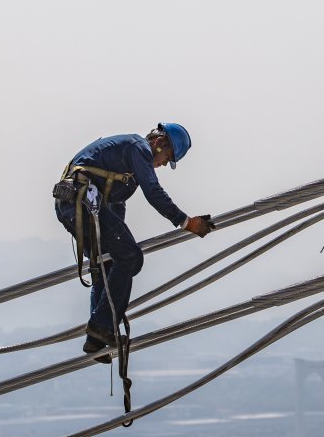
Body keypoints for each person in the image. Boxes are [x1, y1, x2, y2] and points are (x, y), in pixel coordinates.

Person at [54, 122, 214, 359]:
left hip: (74, 205)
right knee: (130, 258)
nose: (160, 165)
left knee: (107, 262)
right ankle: (101, 327)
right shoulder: (138, 148)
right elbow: (153, 191)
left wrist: (122, 239)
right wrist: (185, 222)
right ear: (159, 143)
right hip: (81, 202)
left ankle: (97, 339)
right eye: (165, 158)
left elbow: (117, 204)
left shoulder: (124, 162)